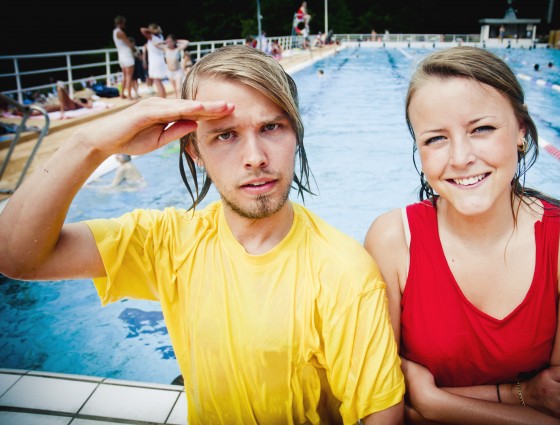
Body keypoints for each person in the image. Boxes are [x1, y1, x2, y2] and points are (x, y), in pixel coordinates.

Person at [0, 45, 404, 424]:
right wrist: (90, 144)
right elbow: (17, 256)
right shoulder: (168, 242)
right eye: (225, 135)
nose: (255, 157)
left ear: (295, 135)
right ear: (195, 150)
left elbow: (380, 415)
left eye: (272, 127)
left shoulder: (345, 276)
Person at [364, 46, 560, 424]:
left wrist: (434, 402)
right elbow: (385, 409)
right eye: (436, 139)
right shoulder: (393, 240)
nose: (461, 157)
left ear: (521, 132)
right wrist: (522, 395)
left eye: (481, 129)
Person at [140, 23, 167, 98]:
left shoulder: (152, 37)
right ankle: (163, 98)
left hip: (155, 62)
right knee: (159, 82)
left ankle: (163, 99)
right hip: (160, 61)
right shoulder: (160, 36)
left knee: (158, 82)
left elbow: (142, 30)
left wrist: (152, 31)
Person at [113, 16, 136, 100]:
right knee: (129, 76)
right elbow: (129, 44)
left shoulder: (114, 32)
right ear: (121, 23)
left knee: (125, 76)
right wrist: (135, 51)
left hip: (121, 56)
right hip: (127, 56)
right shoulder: (121, 33)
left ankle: (122, 94)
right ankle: (129, 95)